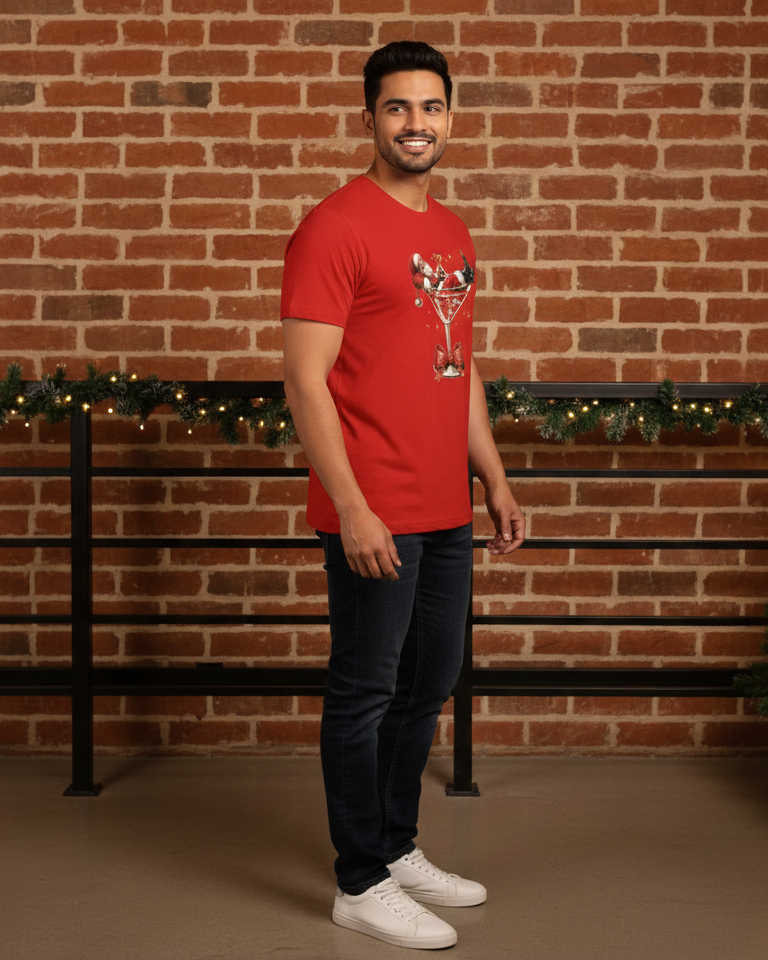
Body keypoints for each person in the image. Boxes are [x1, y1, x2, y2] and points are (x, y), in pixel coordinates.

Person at [281, 41, 525, 950]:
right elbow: (307, 382)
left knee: (429, 683)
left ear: (450, 118)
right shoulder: (334, 226)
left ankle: (396, 846)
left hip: (445, 505)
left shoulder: (453, 232)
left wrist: (494, 478)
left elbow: (457, 368)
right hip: (373, 505)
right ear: (369, 118)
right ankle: (357, 881)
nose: (416, 123)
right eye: (397, 108)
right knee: (365, 689)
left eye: (431, 107)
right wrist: (350, 506)